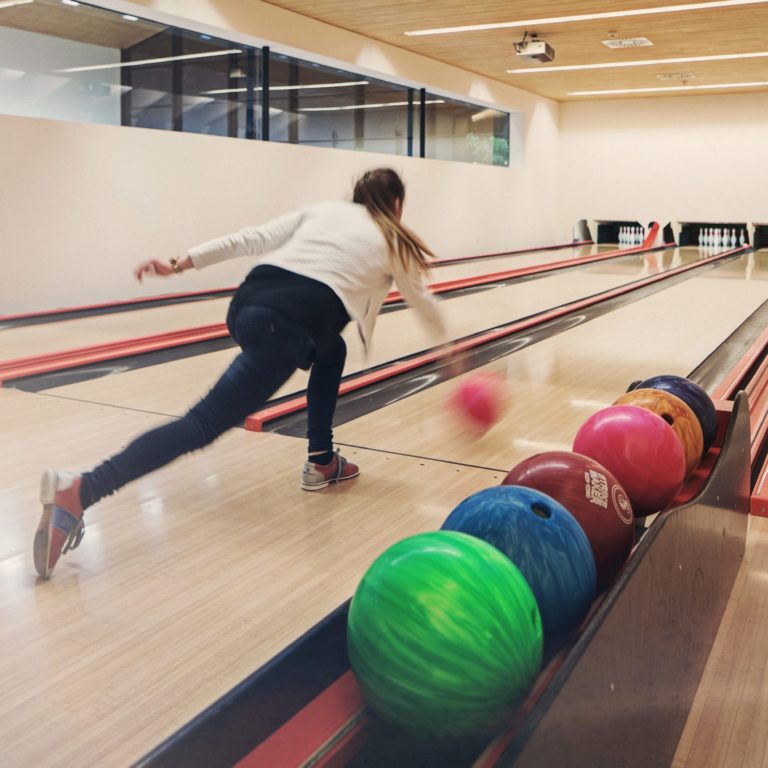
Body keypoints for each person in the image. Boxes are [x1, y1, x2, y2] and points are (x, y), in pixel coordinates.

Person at [33, 167, 448, 579]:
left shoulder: (324, 212)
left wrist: (177, 264)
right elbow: (424, 302)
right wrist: (453, 353)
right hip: (284, 326)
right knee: (201, 425)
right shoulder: (394, 239)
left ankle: (322, 460)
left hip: (247, 307)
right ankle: (82, 489)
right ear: (397, 204)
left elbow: (250, 238)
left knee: (331, 349)